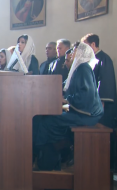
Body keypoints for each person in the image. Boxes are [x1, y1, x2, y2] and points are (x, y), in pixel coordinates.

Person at [33, 42, 103, 171]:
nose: (71, 54)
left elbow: (85, 97)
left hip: (87, 115)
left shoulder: (83, 68)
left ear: (82, 53)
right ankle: (52, 153)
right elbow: (65, 86)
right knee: (46, 120)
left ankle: (52, 151)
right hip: (82, 112)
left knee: (48, 121)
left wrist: (65, 99)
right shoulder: (78, 68)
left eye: (74, 51)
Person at [81, 33, 117, 170]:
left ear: (92, 45)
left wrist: (98, 111)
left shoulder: (104, 59)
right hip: (92, 110)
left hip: (102, 112)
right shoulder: (92, 60)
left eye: (85, 46)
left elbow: (105, 85)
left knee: (103, 145)